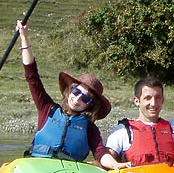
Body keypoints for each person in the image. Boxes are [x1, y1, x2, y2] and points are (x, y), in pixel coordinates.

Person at [16, 20, 112, 162]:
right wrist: (24, 38)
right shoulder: (46, 108)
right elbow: (32, 76)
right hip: (37, 165)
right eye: (76, 91)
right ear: (69, 91)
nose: (78, 99)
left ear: (90, 105)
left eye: (85, 98)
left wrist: (114, 163)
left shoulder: (90, 129)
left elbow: (100, 152)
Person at [99, 75, 174, 169]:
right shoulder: (123, 131)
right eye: (147, 98)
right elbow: (107, 159)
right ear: (136, 101)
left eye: (158, 97)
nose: (153, 103)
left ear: (162, 100)